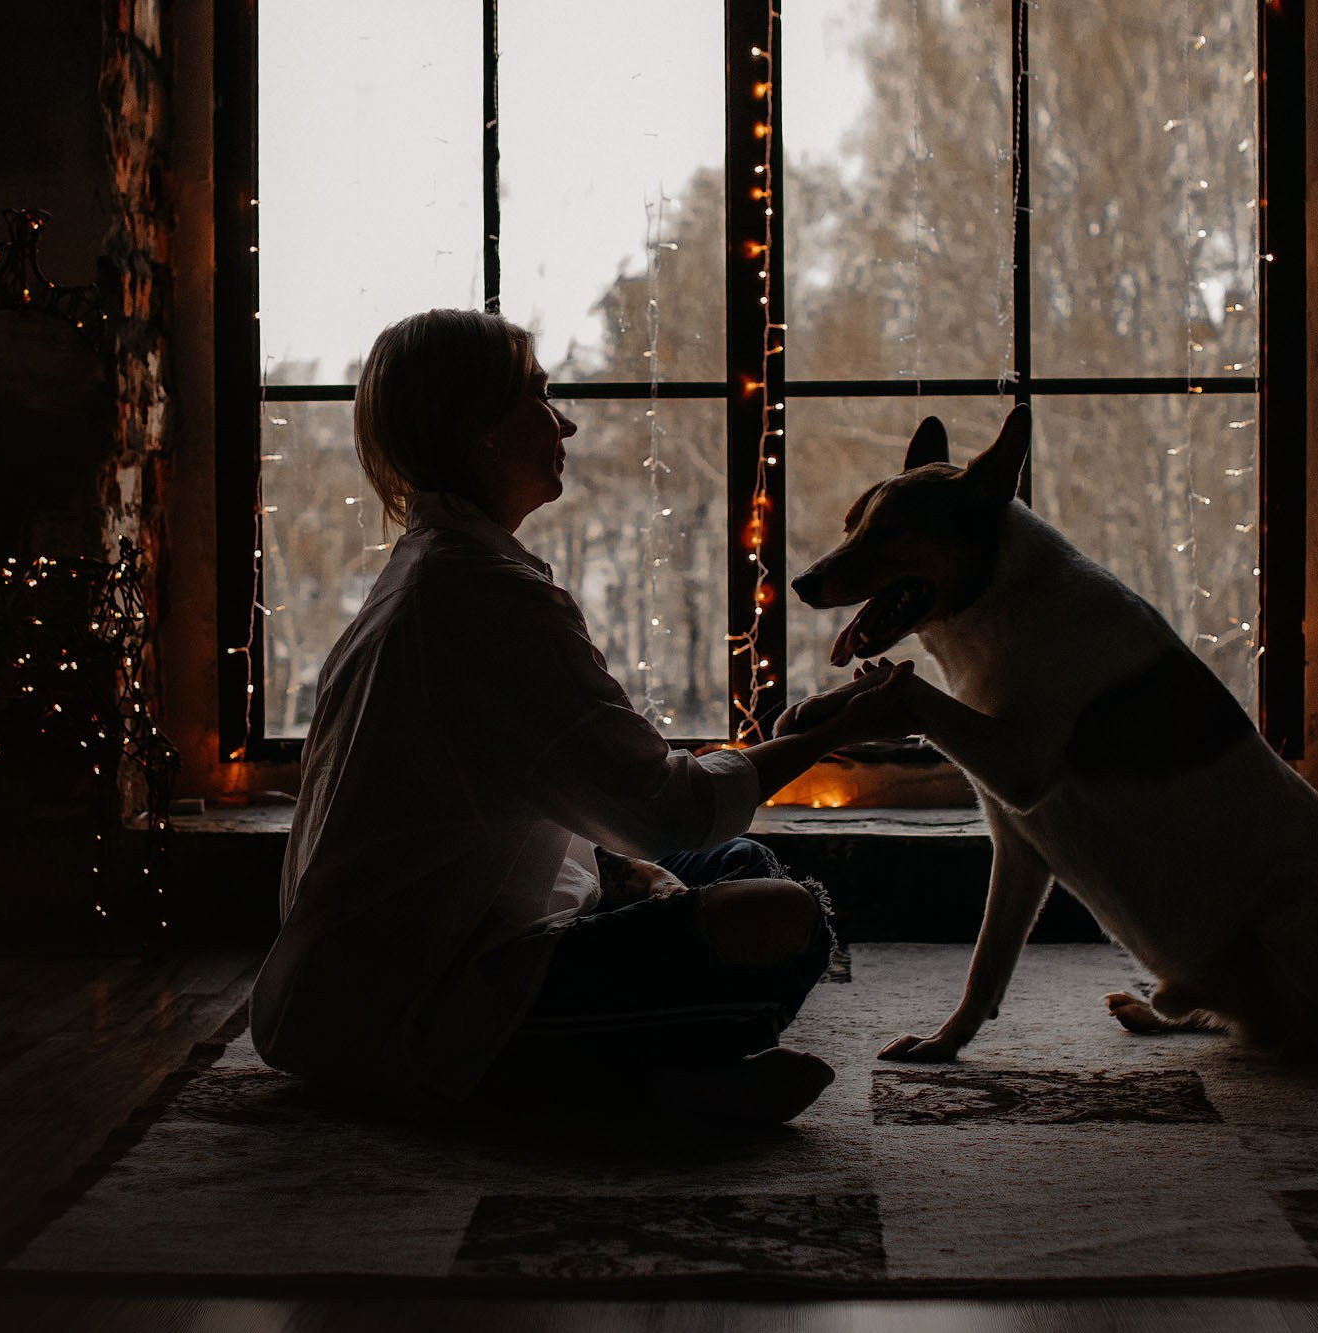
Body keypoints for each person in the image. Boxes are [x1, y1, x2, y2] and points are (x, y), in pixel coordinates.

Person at [248, 308, 911, 1124]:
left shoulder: (444, 574)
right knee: (790, 921)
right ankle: (599, 1098)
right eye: (539, 395)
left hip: (396, 966)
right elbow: (669, 809)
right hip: (408, 1005)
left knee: (745, 864)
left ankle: (646, 1071)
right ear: (483, 430)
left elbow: (595, 798)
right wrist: (833, 734)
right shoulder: (484, 600)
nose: (564, 422)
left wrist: (789, 742)